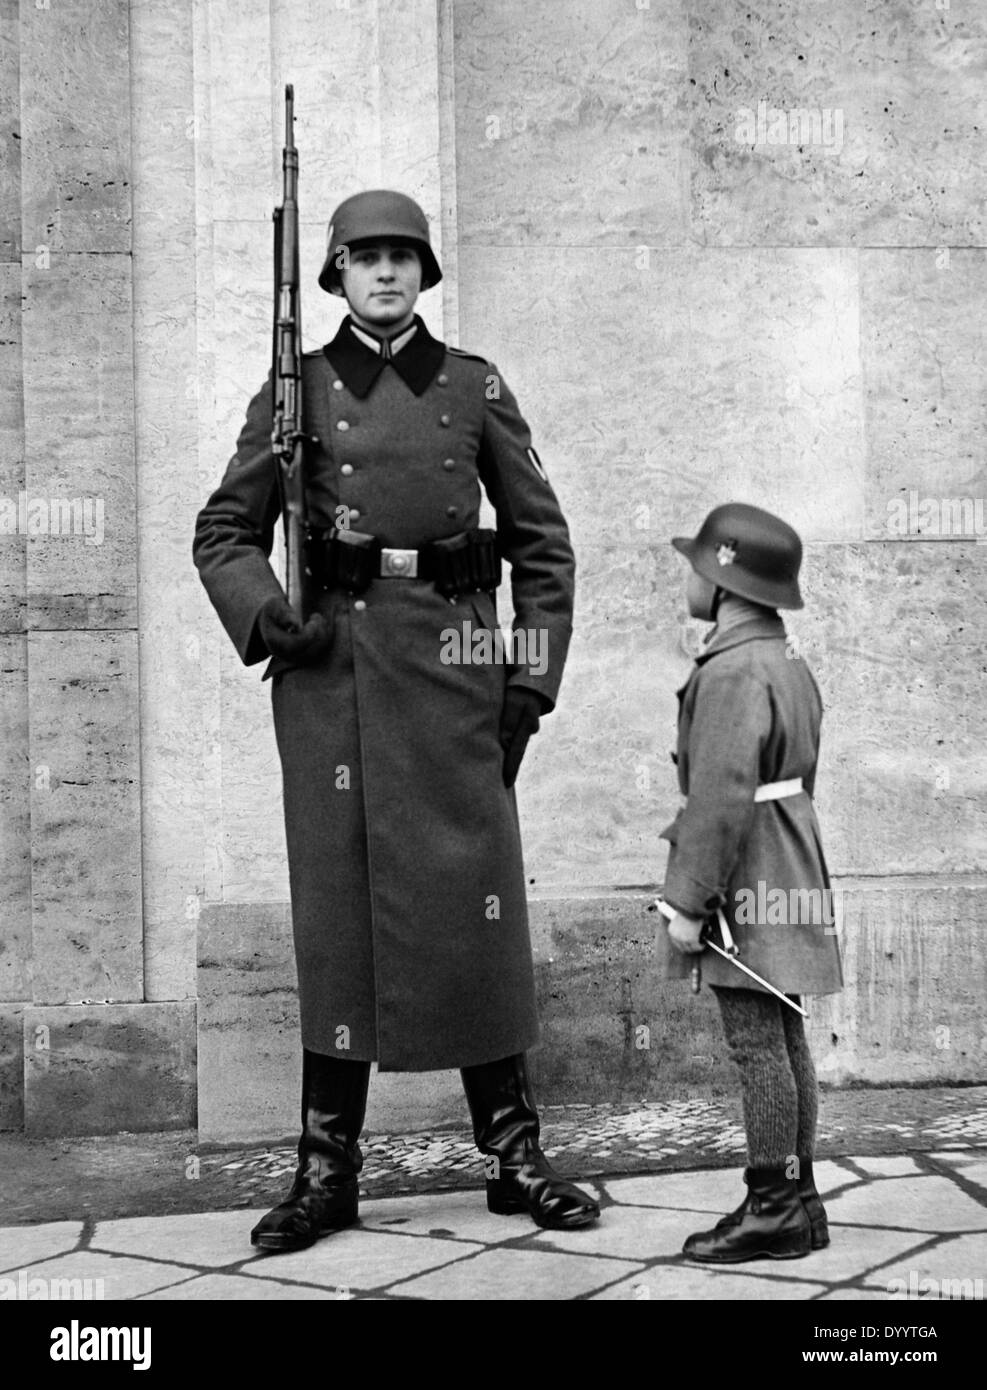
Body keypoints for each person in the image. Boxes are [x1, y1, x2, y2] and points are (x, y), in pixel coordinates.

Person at [193, 189, 599, 1252]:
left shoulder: (474, 387)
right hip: (334, 686)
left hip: (459, 679)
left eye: (403, 259)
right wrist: (264, 610)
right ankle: (326, 1173)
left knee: (478, 912)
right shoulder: (299, 393)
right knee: (340, 923)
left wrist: (529, 681)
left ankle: (514, 1153)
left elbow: (546, 549)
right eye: (365, 259)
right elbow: (223, 531)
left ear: (425, 273)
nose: (385, 275)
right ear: (334, 276)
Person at [656, 502, 843, 1263]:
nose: (690, 578)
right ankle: (798, 1200)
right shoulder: (785, 659)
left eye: (698, 565)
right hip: (788, 851)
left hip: (748, 864)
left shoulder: (732, 669)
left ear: (726, 581)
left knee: (754, 1046)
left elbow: (719, 797)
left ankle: (772, 1208)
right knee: (783, 1032)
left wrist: (687, 901)